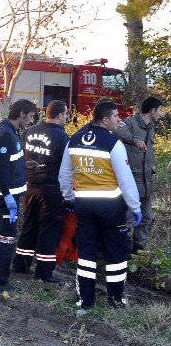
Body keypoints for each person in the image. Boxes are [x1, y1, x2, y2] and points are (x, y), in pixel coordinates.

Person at [59, 100, 141, 310]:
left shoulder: (74, 140)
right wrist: (135, 207)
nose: (118, 120)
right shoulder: (113, 143)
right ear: (105, 120)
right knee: (116, 252)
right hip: (111, 207)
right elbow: (125, 179)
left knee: (86, 252)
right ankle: (116, 299)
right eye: (115, 117)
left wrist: (68, 197)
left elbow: (65, 174)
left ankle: (85, 301)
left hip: (84, 205)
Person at [0, 99, 38, 294]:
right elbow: (0, 167)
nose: (31, 121)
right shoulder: (5, 135)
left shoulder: (12, 132)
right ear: (22, 114)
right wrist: (7, 196)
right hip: (7, 197)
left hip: (10, 195)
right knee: (7, 239)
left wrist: (24, 165)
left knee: (1, 235)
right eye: (31, 116)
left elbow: (9, 162)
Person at [12, 100, 70, 283]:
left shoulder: (29, 131)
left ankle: (20, 264)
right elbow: (67, 167)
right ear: (60, 115)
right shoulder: (63, 138)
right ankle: (44, 272)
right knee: (49, 229)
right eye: (66, 114)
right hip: (51, 188)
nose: (67, 117)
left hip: (29, 186)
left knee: (29, 225)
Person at [114, 96, 166, 252]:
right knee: (129, 218)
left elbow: (147, 150)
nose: (161, 114)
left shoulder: (151, 127)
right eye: (160, 110)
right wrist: (134, 139)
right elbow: (117, 129)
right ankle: (124, 249)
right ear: (153, 110)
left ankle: (138, 249)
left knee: (147, 217)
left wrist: (152, 165)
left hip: (146, 179)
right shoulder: (129, 123)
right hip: (132, 179)